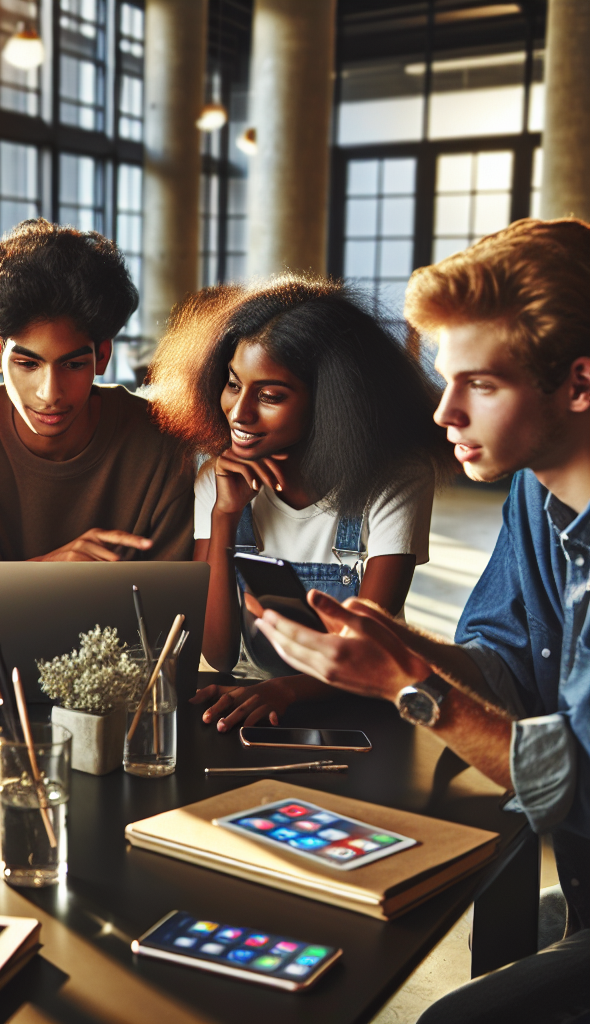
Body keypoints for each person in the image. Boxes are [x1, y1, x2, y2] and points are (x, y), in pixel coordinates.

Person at [252, 219, 590, 1024]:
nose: (444, 413)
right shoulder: (538, 495)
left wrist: (413, 689)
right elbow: (506, 663)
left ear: (579, 384)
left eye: (481, 384)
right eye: (445, 380)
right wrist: (399, 645)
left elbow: (579, 786)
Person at [147, 279, 451, 732]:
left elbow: (369, 647)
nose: (239, 412)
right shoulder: (216, 479)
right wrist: (225, 517)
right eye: (233, 384)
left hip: (358, 704)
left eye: (270, 396)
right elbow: (219, 655)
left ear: (331, 402)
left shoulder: (397, 479)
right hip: (248, 699)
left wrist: (286, 689)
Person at [0, 218, 195, 650]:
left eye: (73, 365)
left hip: (123, 694)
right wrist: (48, 570)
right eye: (27, 364)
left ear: (101, 356)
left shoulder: (161, 438)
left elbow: (170, 634)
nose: (50, 394)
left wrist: (6, 592)